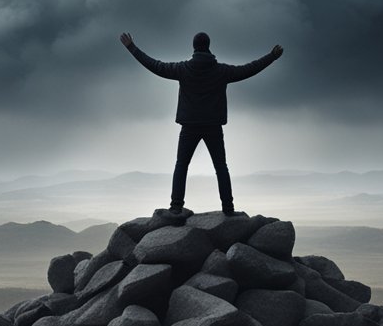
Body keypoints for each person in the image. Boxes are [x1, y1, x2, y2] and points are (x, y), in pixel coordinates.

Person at [119, 31, 283, 215]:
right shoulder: (221, 71)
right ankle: (228, 208)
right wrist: (272, 57)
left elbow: (155, 66)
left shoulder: (183, 69)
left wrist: (131, 47)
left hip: (189, 126)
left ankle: (176, 206)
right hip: (213, 126)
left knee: (181, 164)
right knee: (221, 166)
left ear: (194, 47)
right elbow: (248, 69)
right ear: (208, 46)